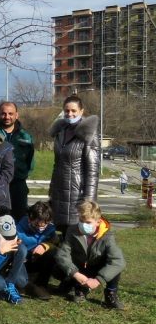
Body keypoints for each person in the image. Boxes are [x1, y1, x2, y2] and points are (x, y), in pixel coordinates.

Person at [54, 201, 125, 309]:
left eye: (88, 222)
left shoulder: (107, 236)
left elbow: (118, 261)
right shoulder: (72, 230)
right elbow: (62, 254)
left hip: (97, 267)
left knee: (114, 265)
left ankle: (111, 295)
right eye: (81, 220)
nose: (83, 224)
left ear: (98, 222)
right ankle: (79, 287)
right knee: (57, 267)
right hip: (79, 267)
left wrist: (98, 280)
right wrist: (75, 274)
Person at [49, 95, 100, 236]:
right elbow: (56, 164)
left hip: (77, 196)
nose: (69, 114)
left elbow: (93, 171)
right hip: (59, 194)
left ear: (81, 111)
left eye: (73, 111)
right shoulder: (60, 132)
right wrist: (51, 190)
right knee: (61, 237)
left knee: (76, 238)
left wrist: (89, 202)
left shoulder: (88, 135)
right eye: (66, 111)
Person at [0, 102, 35, 222]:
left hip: (18, 184)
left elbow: (30, 162)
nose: (7, 117)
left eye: (10, 114)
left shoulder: (25, 136)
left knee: (20, 219)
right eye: (3, 113)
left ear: (16, 115)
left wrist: (21, 174)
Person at [16, 201, 58, 301]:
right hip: (24, 262)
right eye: (38, 225)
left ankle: (42, 284)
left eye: (44, 225)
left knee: (53, 252)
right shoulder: (19, 228)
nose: (41, 228)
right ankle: (26, 285)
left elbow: (55, 242)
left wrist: (45, 246)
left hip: (38, 260)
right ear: (30, 219)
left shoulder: (50, 229)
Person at [0, 214, 27, 305]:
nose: (10, 240)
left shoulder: (11, 230)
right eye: (7, 238)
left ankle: (10, 283)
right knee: (0, 284)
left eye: (12, 237)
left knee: (22, 281)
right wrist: (0, 252)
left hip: (5, 265)